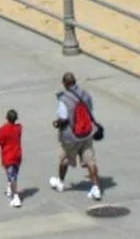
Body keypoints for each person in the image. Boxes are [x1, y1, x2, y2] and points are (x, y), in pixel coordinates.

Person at [50, 72, 103, 201]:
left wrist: (57, 123)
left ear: (65, 83)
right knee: (90, 160)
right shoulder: (85, 94)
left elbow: (63, 118)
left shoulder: (64, 99)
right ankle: (96, 188)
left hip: (71, 136)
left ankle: (60, 183)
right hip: (87, 133)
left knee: (64, 158)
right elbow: (90, 108)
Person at [0, 109, 24, 207]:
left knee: (12, 177)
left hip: (8, 156)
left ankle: (16, 197)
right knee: (14, 174)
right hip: (17, 155)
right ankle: (10, 187)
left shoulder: (3, 129)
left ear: (7, 118)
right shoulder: (19, 128)